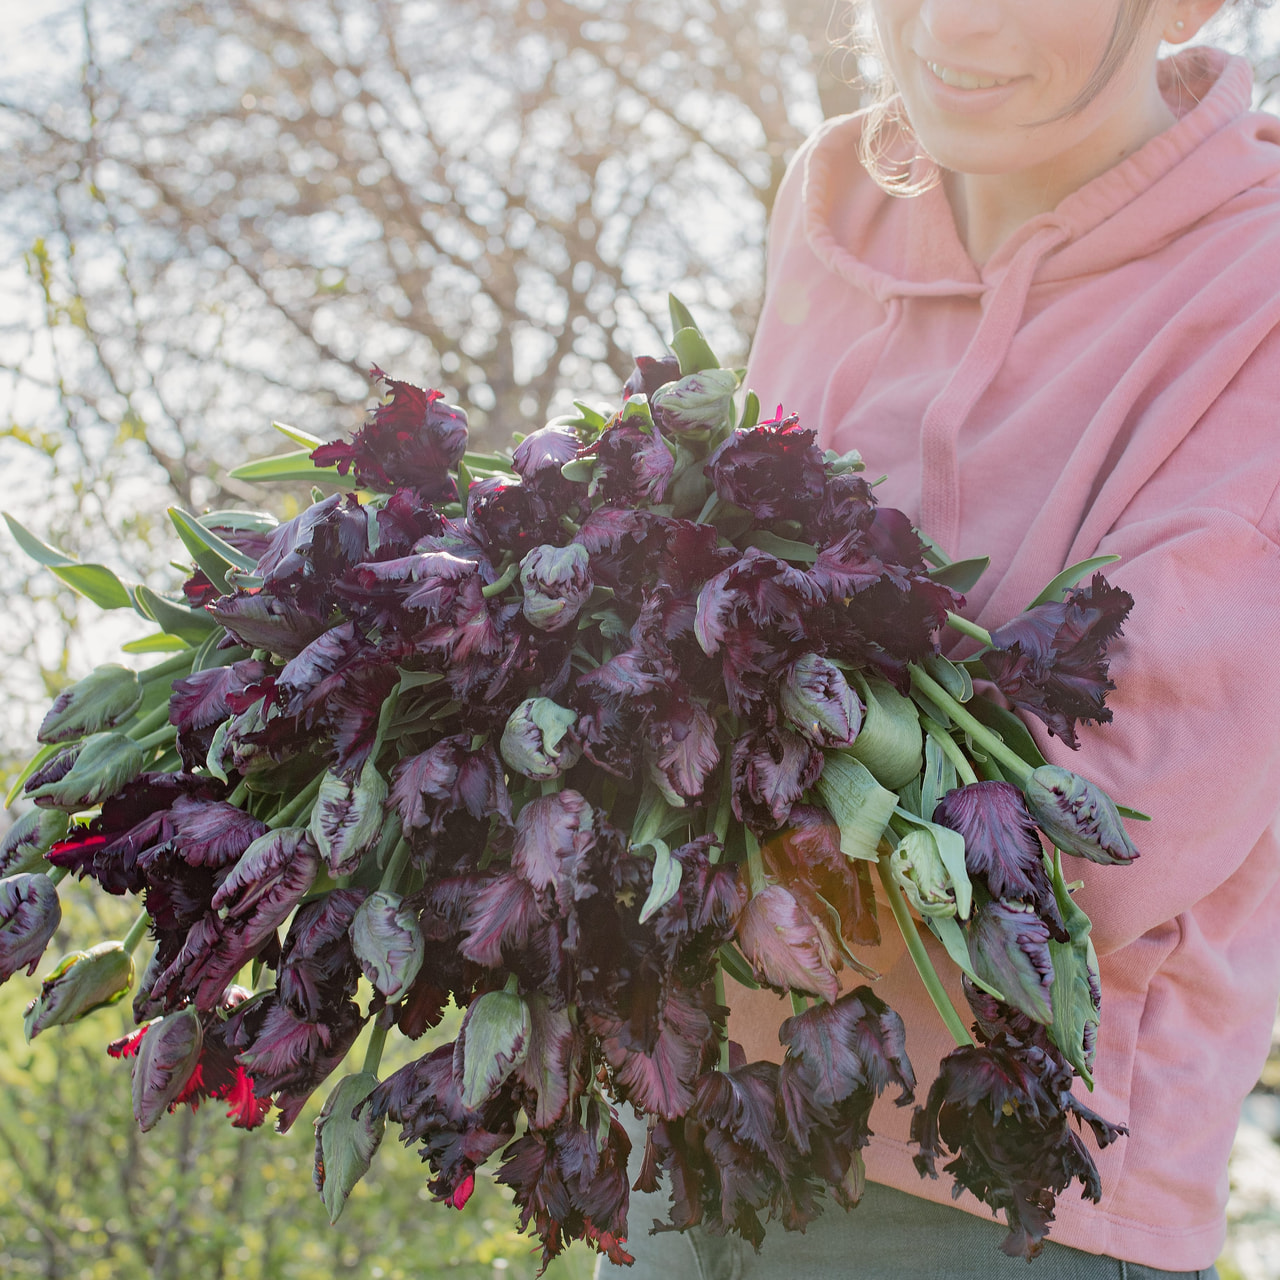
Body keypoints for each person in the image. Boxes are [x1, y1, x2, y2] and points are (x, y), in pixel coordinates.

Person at [601, 2, 1280, 1277]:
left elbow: (1119, 807)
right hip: (698, 1124)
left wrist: (666, 873)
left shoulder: (1256, 281)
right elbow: (722, 606)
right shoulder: (834, 195)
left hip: (997, 1192)